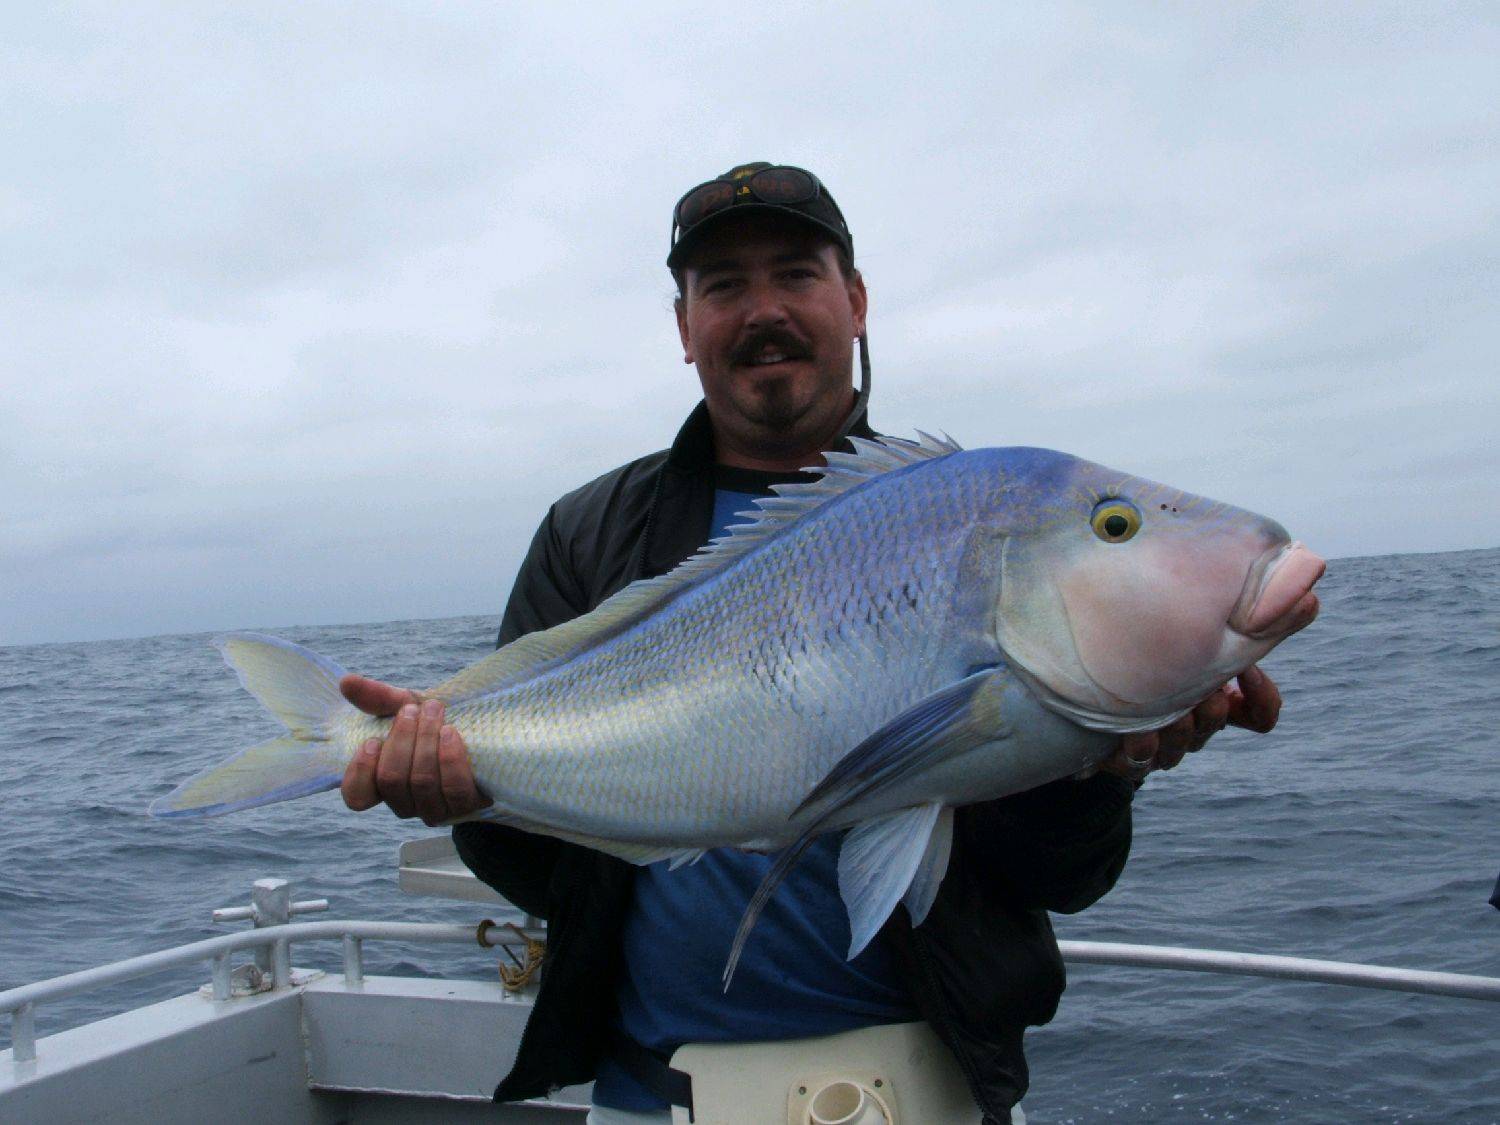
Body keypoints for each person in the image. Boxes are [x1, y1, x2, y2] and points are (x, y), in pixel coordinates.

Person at [338, 162, 1286, 1124]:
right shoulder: (590, 535)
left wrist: (1105, 767)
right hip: (653, 1098)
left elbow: (1064, 880)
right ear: (683, 326)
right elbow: (554, 879)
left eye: (796, 273)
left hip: (932, 1095)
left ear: (857, 300)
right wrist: (467, 794)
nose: (764, 310)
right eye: (723, 286)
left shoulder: (972, 520)